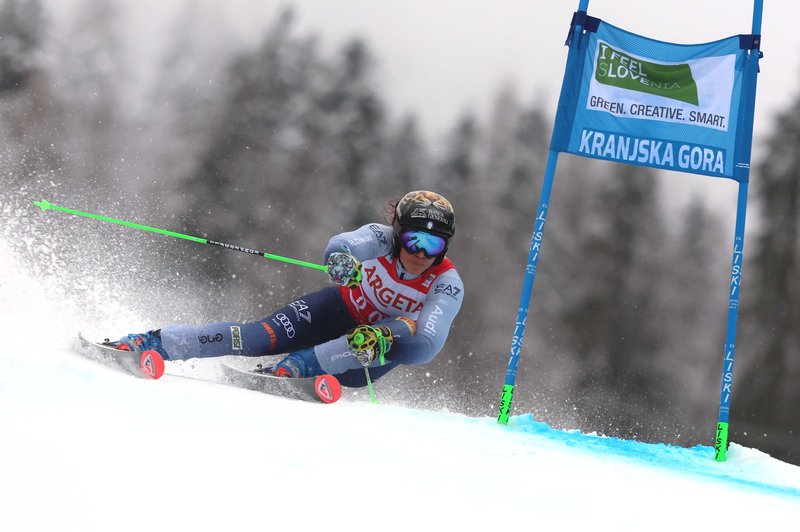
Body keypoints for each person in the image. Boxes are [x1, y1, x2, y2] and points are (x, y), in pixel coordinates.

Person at [110, 190, 464, 388]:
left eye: (433, 245)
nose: (420, 252)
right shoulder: (379, 238)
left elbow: (426, 346)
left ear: (445, 248)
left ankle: (296, 368)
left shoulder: (447, 284)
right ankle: (155, 342)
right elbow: (342, 244)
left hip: (369, 354)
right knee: (256, 338)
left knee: (395, 333)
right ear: (398, 232)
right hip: (334, 309)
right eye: (414, 239)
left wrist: (385, 335)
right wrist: (341, 261)